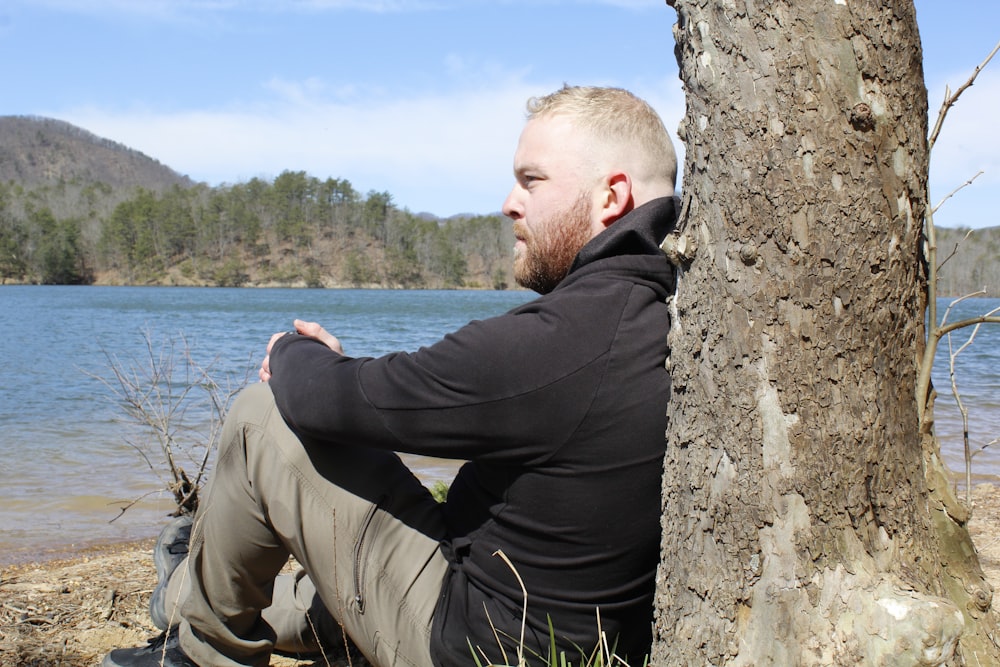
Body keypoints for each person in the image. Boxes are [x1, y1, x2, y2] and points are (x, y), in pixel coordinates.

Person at [103, 84, 679, 667]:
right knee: (315, 591)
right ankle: (182, 592)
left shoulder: (566, 341)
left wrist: (291, 353)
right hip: (531, 620)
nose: (509, 202)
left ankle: (199, 654)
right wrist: (329, 377)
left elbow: (331, 401)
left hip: (470, 644)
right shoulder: (661, 318)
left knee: (263, 416)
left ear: (611, 195)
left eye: (532, 180)